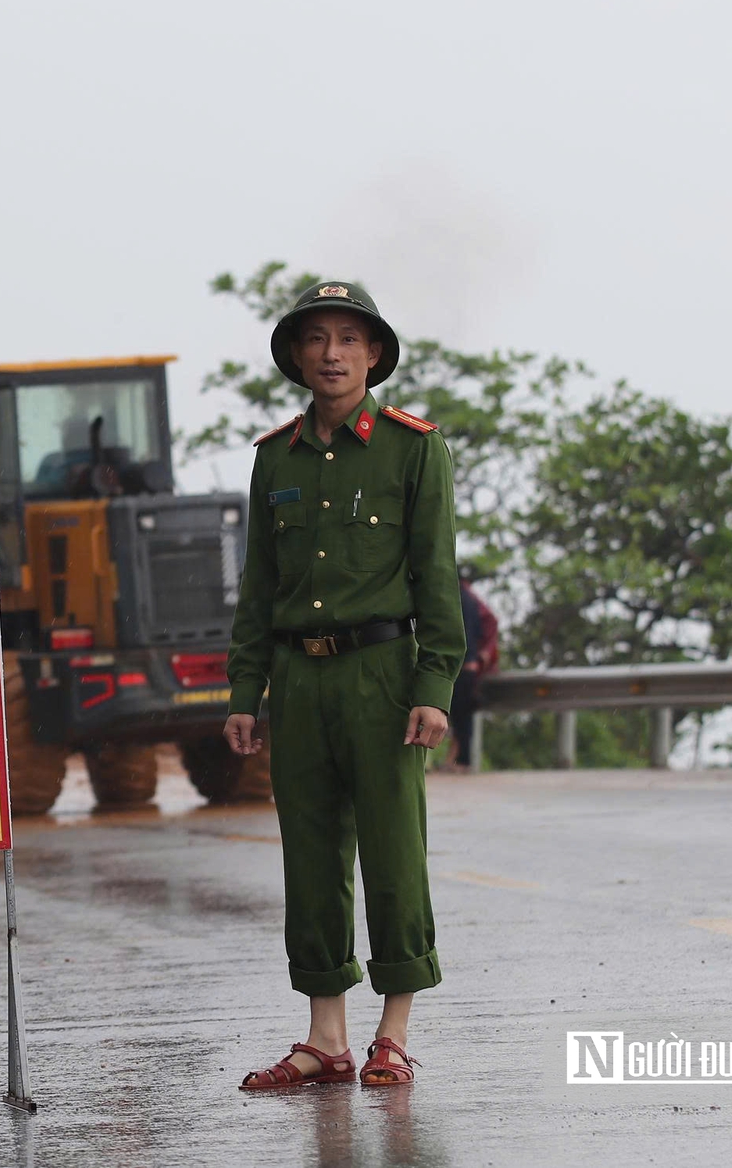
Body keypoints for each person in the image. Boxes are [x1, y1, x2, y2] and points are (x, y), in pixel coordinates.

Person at [222, 279, 464, 1089]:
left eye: (349, 340)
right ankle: (325, 1038)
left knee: (395, 852)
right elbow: (258, 590)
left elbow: (437, 578)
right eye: (317, 338)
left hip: (383, 676)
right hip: (297, 680)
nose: (332, 354)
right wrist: (243, 693)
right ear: (295, 354)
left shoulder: (412, 448)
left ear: (374, 355)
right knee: (311, 857)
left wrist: (434, 684)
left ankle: (393, 1033)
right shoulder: (274, 458)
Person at [448, 574, 498, 772]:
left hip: (464, 666)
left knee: (461, 717)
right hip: (469, 665)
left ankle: (463, 762)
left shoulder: (462, 598)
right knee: (460, 716)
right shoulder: (469, 598)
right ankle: (457, 761)